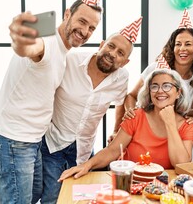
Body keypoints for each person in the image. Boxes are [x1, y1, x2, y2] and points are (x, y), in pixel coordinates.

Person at [0, 0, 103, 204]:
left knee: (35, 195)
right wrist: (21, 40)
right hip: (12, 140)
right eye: (82, 21)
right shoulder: (48, 42)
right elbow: (31, 48)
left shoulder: (64, 52)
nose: (85, 31)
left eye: (92, 28)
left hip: (33, 141)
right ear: (67, 14)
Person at [40, 17, 143, 203]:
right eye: (111, 46)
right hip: (53, 144)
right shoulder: (70, 61)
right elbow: (45, 90)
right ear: (102, 44)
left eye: (120, 53)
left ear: (125, 62)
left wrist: (115, 130)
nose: (112, 54)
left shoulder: (121, 78)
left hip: (84, 149)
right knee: (53, 198)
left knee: (87, 198)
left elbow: (121, 101)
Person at [57, 68, 193, 181]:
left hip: (164, 189)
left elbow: (180, 165)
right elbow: (112, 151)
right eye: (154, 86)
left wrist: (170, 123)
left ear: (178, 92)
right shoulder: (135, 116)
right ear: (149, 92)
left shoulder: (187, 126)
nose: (160, 91)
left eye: (167, 86)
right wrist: (86, 165)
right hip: (128, 182)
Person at [109, 9, 193, 142]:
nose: (182, 48)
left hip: (172, 134)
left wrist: (190, 120)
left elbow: (190, 113)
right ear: (172, 47)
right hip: (144, 130)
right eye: (178, 44)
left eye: (188, 44)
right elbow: (131, 96)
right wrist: (132, 115)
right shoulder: (156, 68)